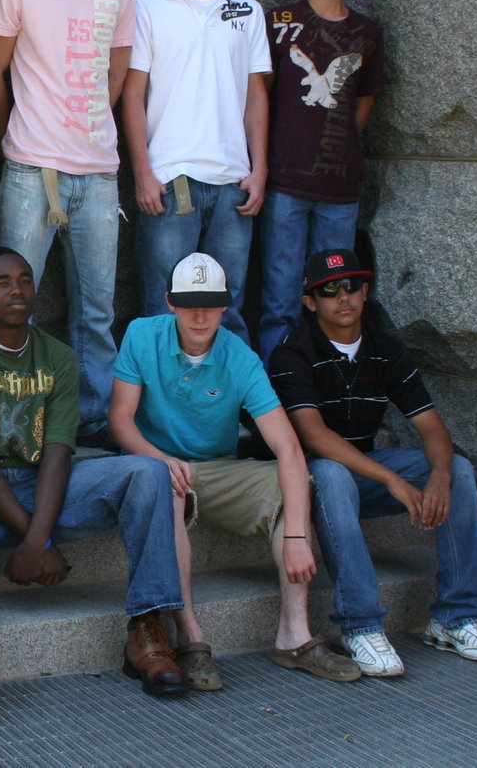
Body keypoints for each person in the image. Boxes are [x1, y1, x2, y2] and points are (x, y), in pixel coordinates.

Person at [0, 247, 186, 722]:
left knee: (148, 471)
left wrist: (39, 539)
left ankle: (147, 629)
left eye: (25, 279)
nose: (16, 289)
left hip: (46, 492)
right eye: (1, 282)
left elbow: (58, 450)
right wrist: (37, 542)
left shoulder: (56, 356)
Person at [108, 252, 361, 689]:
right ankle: (190, 639)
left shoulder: (240, 357)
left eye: (211, 302)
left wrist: (299, 534)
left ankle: (294, 635)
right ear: (169, 301)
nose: (201, 314)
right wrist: (159, 458)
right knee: (159, 483)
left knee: (293, 488)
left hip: (218, 468)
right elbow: (120, 419)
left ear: (227, 304)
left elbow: (288, 448)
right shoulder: (141, 334)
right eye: (189, 303)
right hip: (155, 463)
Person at [269, 248, 477, 675]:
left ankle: (456, 617)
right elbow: (314, 436)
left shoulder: (385, 347)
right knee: (328, 472)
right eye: (329, 290)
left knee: (459, 470)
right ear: (310, 301)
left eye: (352, 286)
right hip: (313, 481)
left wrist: (438, 477)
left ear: (365, 293)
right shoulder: (292, 352)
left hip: (363, 472)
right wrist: (393, 481)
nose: (343, 297)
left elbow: (433, 428)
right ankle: (360, 625)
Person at [0, 0, 135, 443]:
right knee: (11, 307)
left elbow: (116, 75)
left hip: (97, 174)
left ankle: (92, 421)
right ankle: (9, 424)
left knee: (96, 311)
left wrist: (87, 128)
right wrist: (14, 136)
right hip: (31, 169)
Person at [123, 0, 271, 343]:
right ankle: (155, 412)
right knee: (162, 307)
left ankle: (223, 410)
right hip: (172, 182)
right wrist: (143, 172)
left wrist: (259, 168)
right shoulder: (148, 7)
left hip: (232, 183)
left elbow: (256, 95)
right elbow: (131, 94)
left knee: (229, 308)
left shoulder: (247, 10)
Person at [258, 0, 385, 363]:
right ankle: (277, 398)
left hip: (338, 188)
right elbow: (262, 93)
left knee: (334, 297)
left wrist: (337, 141)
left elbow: (363, 102)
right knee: (280, 296)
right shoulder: (278, 22)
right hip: (283, 182)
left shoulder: (366, 32)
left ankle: (326, 387)